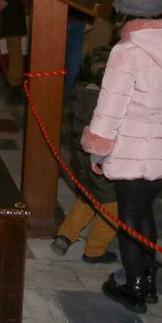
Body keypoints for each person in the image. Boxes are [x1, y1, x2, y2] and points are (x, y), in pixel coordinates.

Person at [81, 0, 162, 313]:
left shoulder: (129, 50)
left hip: (136, 146)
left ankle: (134, 285)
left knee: (131, 214)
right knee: (144, 210)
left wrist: (98, 147)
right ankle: (146, 279)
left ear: (121, 10)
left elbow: (111, 104)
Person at [51, 37, 119, 264]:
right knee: (111, 208)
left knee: (87, 200)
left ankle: (65, 235)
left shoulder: (83, 94)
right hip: (103, 166)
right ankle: (95, 251)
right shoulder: (106, 104)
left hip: (83, 164)